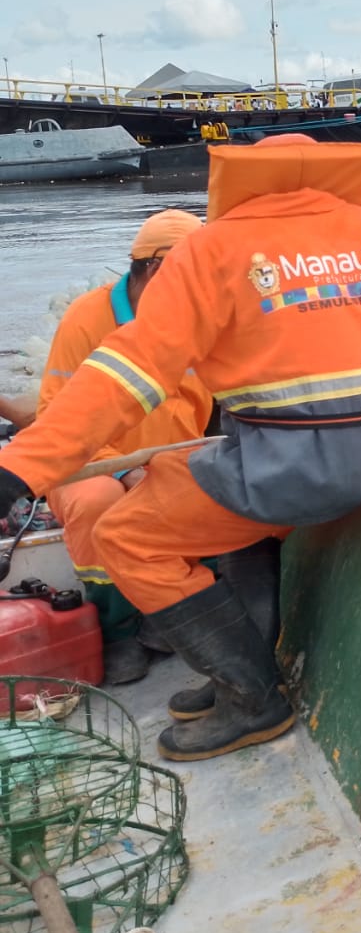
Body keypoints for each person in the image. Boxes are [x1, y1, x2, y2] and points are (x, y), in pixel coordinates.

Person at [0, 135, 361, 762]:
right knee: (182, 471)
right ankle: (241, 664)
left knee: (126, 536)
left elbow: (126, 377)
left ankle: (254, 698)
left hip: (293, 468)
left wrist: (20, 469)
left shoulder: (214, 248)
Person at [36, 210, 212, 686]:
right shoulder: (86, 321)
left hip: (172, 461)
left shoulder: (201, 320)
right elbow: (57, 421)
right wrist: (121, 472)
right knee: (102, 504)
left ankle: (168, 615)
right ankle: (115, 632)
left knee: (238, 494)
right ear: (155, 271)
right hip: (89, 468)